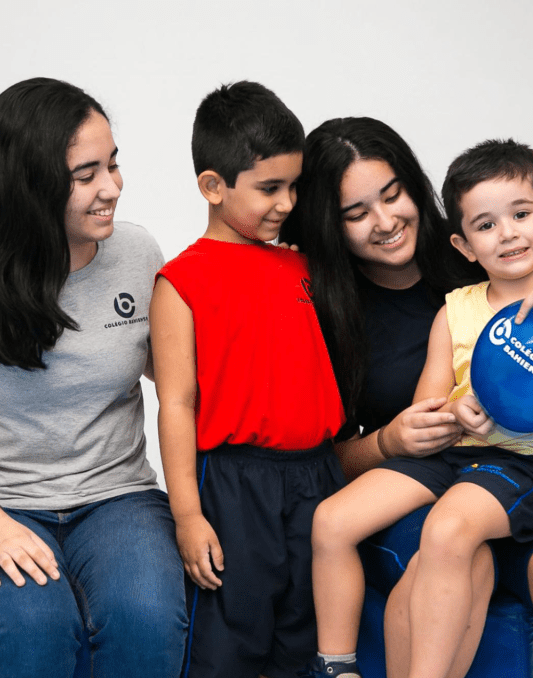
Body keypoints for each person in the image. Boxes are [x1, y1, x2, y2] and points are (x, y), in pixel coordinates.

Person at [280, 119, 533, 678]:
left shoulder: (505, 263)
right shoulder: (328, 309)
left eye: (393, 195)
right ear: (331, 226)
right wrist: (388, 440)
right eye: (356, 214)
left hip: (521, 470)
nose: (384, 222)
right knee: (452, 552)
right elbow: (324, 460)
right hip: (426, 477)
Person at [0, 77, 187, 677]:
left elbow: (181, 383)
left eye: (113, 165)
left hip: (116, 498)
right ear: (29, 185)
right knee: (35, 624)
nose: (112, 188)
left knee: (148, 618)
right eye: (86, 176)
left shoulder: (137, 255)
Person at [149, 81, 346, 678]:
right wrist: (188, 513)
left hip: (320, 475)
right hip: (236, 484)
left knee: (306, 633)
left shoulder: (303, 264)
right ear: (213, 186)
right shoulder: (181, 281)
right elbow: (176, 402)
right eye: (269, 189)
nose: (286, 202)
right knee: (232, 639)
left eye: (294, 186)